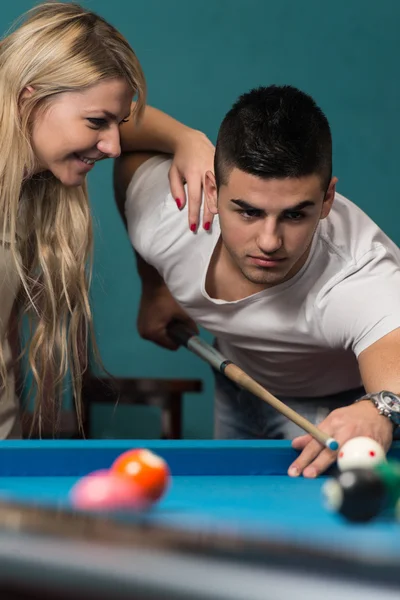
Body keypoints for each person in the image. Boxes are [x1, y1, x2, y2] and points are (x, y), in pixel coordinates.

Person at [115, 84, 400, 478]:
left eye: (295, 215)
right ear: (213, 191)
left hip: (334, 409)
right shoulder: (173, 216)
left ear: (328, 200)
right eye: (248, 213)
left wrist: (379, 408)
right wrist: (154, 288)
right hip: (237, 376)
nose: (270, 241)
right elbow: (120, 138)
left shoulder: (359, 272)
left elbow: (395, 365)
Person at [0, 1, 214, 439]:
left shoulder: (27, 179)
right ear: (30, 99)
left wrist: (188, 139)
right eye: (97, 122)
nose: (114, 145)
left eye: (116, 122)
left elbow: (128, 120)